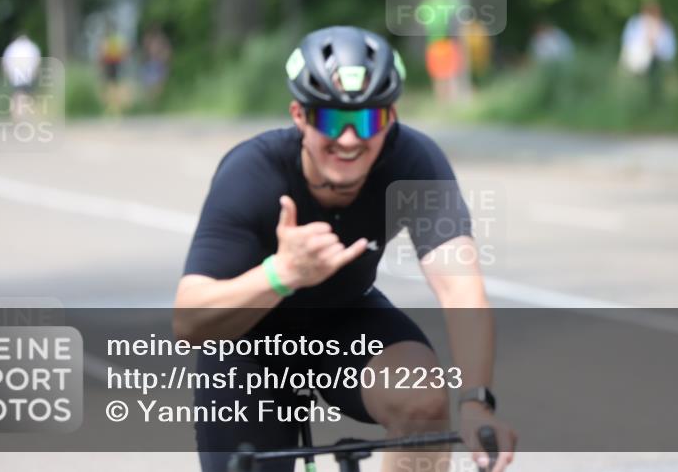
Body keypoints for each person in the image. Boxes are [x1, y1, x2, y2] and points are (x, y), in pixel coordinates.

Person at [174, 26, 516, 472]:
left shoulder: (413, 163)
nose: (350, 139)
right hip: (247, 336)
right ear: (300, 116)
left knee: (424, 396)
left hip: (345, 320)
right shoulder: (252, 172)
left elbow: (461, 291)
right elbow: (189, 318)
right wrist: (282, 273)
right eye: (332, 120)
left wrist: (476, 402)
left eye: (368, 120)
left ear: (390, 118)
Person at [619, 1, 677, 98]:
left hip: (657, 63)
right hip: (635, 61)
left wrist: (656, 49)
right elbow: (627, 43)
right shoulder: (635, 23)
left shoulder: (665, 28)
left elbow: (670, 51)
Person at [1, 33, 42, 123]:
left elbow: (5, 62)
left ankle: (16, 116)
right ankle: (26, 116)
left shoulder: (11, 48)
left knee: (17, 95)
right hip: (28, 75)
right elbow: (37, 61)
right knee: (28, 96)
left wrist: (7, 74)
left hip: (15, 75)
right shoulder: (32, 47)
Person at [139, 23, 172, 102]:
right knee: (149, 86)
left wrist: (164, 59)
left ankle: (156, 102)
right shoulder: (148, 39)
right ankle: (151, 102)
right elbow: (144, 53)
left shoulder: (161, 40)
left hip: (158, 64)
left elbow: (167, 52)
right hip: (149, 64)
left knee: (158, 85)